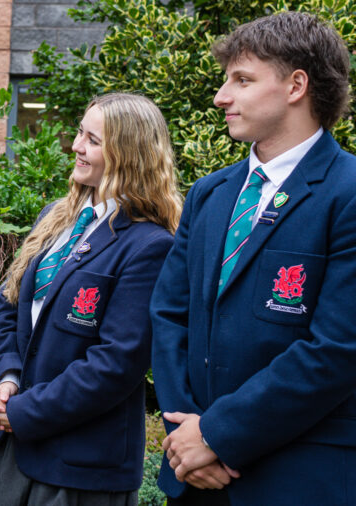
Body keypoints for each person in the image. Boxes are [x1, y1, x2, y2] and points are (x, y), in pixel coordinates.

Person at [151, 11, 356, 505]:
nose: (222, 96)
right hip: (194, 478)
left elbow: (336, 349)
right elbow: (168, 316)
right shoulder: (209, 194)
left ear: (296, 86)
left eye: (242, 80)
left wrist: (218, 436)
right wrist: (187, 438)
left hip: (298, 476)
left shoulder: (347, 192)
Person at [0, 93, 181, 506]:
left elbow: (116, 364)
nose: (77, 147)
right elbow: (8, 307)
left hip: (79, 466)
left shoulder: (150, 245)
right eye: (79, 134)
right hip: (11, 450)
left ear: (128, 154)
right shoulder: (56, 216)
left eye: (93, 140)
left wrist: (24, 413)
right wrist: (8, 382)